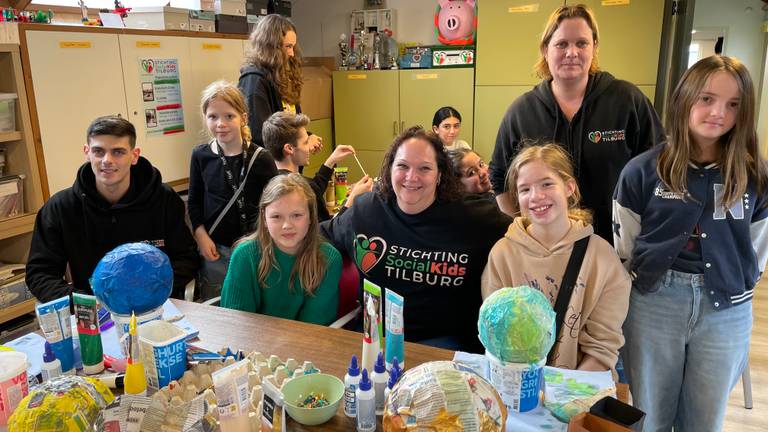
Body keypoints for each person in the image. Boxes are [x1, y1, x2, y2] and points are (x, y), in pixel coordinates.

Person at [613, 55, 768, 431]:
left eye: (733, 105)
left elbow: (757, 251)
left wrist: (736, 285)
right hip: (654, 303)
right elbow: (625, 248)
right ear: (684, 99)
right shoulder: (641, 172)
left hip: (725, 310)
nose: (719, 112)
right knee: (650, 414)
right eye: (706, 99)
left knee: (704, 419)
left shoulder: (755, 177)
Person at [321, 126, 511, 351]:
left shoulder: (476, 219)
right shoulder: (365, 211)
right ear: (389, 169)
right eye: (402, 166)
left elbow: (526, 239)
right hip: (375, 342)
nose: (411, 177)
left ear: (440, 175)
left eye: (424, 168)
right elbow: (320, 237)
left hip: (444, 346)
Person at [489, 4, 665, 243]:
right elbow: (499, 176)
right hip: (546, 248)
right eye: (561, 44)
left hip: (616, 246)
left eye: (581, 43)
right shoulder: (521, 112)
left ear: (594, 47)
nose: (571, 52)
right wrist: (523, 230)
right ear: (545, 49)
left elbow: (660, 168)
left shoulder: (627, 101)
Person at [482, 144, 629, 377]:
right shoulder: (502, 254)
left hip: (578, 388)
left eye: (547, 184)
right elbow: (496, 335)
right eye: (524, 189)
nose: (536, 196)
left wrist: (562, 393)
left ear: (569, 187)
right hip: (516, 385)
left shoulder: (602, 258)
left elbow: (602, 349)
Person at [26, 115, 199, 303]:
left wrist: (144, 291)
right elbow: (39, 273)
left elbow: (186, 259)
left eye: (118, 152)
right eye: (98, 151)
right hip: (94, 311)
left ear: (134, 155)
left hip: (154, 304)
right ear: (87, 152)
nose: (107, 160)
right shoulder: (60, 208)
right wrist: (85, 303)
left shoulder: (164, 198)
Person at [188, 81, 278, 300]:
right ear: (205, 118)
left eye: (229, 116)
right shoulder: (201, 156)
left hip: (257, 249)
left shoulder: (261, 158)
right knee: (220, 306)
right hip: (216, 250)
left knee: (256, 305)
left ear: (243, 118)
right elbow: (194, 201)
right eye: (213, 117)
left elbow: (275, 205)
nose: (221, 123)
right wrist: (201, 236)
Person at [220, 174, 342, 325]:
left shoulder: (328, 259)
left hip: (302, 343)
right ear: (264, 218)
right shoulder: (245, 255)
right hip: (251, 343)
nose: (287, 225)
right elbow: (236, 322)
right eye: (276, 216)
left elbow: (314, 326)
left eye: (297, 215)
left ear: (311, 216)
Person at [239, 14, 322, 154]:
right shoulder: (254, 80)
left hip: (289, 164)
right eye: (287, 46)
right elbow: (262, 136)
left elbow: (288, 126)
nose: (291, 54)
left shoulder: (281, 75)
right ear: (271, 47)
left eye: (293, 47)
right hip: (272, 169)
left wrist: (306, 137)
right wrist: (301, 142)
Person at [262, 110, 364, 221]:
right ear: (289, 148)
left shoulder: (270, 183)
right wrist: (351, 201)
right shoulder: (300, 188)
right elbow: (328, 232)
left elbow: (315, 189)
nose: (309, 148)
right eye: (306, 142)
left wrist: (331, 161)